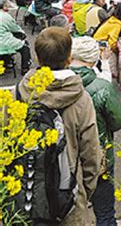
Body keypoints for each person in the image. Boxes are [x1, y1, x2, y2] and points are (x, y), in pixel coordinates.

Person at [17, 27, 102, 225]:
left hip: (25, 195)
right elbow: (91, 153)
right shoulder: (80, 99)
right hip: (67, 199)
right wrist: (83, 191)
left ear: (37, 57)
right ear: (69, 58)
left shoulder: (17, 95)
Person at [71, 37, 121, 226]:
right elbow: (119, 121)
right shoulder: (101, 88)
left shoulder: (56, 84)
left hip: (66, 160)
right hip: (99, 157)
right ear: (94, 59)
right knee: (104, 212)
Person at [93, 3, 121, 85]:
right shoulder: (117, 25)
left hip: (96, 45)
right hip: (102, 49)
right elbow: (112, 41)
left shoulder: (111, 20)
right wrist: (117, 50)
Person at [0, 0, 31, 74]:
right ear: (4, 5)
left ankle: (6, 62)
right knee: (24, 46)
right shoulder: (6, 16)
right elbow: (16, 29)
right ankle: (25, 68)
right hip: (4, 43)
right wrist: (23, 34)